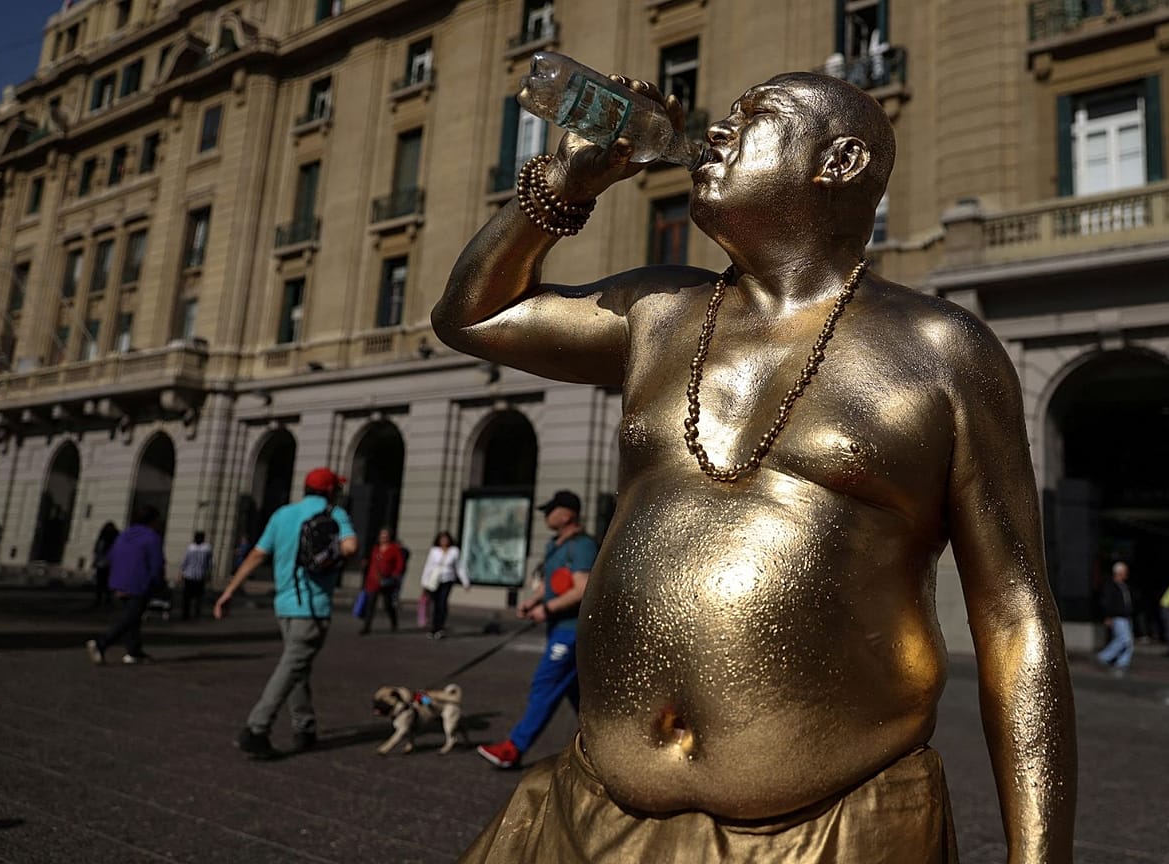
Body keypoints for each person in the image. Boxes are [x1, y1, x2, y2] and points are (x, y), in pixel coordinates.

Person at [437, 70, 1074, 862]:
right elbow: (473, 317)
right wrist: (561, 187)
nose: (716, 132)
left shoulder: (940, 350)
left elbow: (1014, 615)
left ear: (840, 162)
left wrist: (1038, 856)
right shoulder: (658, 312)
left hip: (829, 826)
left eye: (754, 115)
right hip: (590, 806)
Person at [214, 467, 357, 760]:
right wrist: (332, 554)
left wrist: (229, 590)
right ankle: (257, 729)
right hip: (313, 607)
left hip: (285, 607)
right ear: (331, 491)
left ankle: (304, 726)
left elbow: (257, 554)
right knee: (292, 666)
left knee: (297, 665)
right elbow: (350, 547)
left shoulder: (282, 514)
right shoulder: (335, 514)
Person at [476, 490, 597, 769]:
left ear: (567, 514)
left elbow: (582, 588)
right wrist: (533, 601)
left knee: (545, 684)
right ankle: (604, 748)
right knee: (579, 697)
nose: (546, 515)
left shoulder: (582, 546)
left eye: (551, 510)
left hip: (571, 630)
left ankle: (514, 748)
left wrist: (548, 608)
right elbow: (550, 582)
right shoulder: (555, 545)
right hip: (559, 628)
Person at [85, 506, 163, 665]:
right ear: (153, 521)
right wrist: (157, 582)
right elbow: (156, 564)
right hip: (139, 583)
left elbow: (111, 557)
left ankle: (134, 652)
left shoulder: (124, 535)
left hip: (118, 581)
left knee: (132, 617)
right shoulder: (152, 537)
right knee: (130, 617)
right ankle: (101, 644)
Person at [420, 531, 468, 639]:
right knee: (436, 604)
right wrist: (424, 582)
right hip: (434, 580)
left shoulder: (454, 551)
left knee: (442, 603)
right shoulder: (434, 551)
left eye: (446, 539)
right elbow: (428, 566)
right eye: (442, 539)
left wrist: (465, 581)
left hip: (447, 579)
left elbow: (459, 567)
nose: (444, 541)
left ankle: (440, 628)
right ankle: (434, 627)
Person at [360, 528, 406, 634]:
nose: (384, 538)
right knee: (370, 604)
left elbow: (400, 563)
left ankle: (394, 623)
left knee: (388, 604)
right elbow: (371, 562)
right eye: (382, 535)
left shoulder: (394, 548)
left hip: (387, 580)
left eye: (386, 535)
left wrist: (395, 574)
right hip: (373, 580)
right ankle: (366, 626)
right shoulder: (375, 548)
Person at [1097, 561, 1135, 675]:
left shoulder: (1124, 586)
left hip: (1126, 616)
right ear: (1118, 572)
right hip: (1117, 616)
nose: (1126, 574)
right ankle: (1104, 656)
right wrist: (1108, 616)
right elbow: (1106, 602)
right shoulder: (1111, 586)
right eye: (1124, 571)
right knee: (1124, 639)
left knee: (1128, 642)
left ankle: (1122, 663)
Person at [179, 531, 213, 620]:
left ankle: (186, 614)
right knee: (199, 596)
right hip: (200, 576)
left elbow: (185, 561)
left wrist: (182, 572)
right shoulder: (207, 548)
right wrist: (209, 574)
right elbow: (210, 563)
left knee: (187, 596)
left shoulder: (190, 548)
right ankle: (196, 613)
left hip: (189, 575)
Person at [90, 522, 118, 606]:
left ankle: (105, 599)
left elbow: (98, 550)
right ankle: (102, 599)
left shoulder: (112, 539)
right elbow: (97, 551)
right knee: (102, 582)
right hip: (103, 563)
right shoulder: (104, 539)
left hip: (108, 564)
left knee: (104, 582)